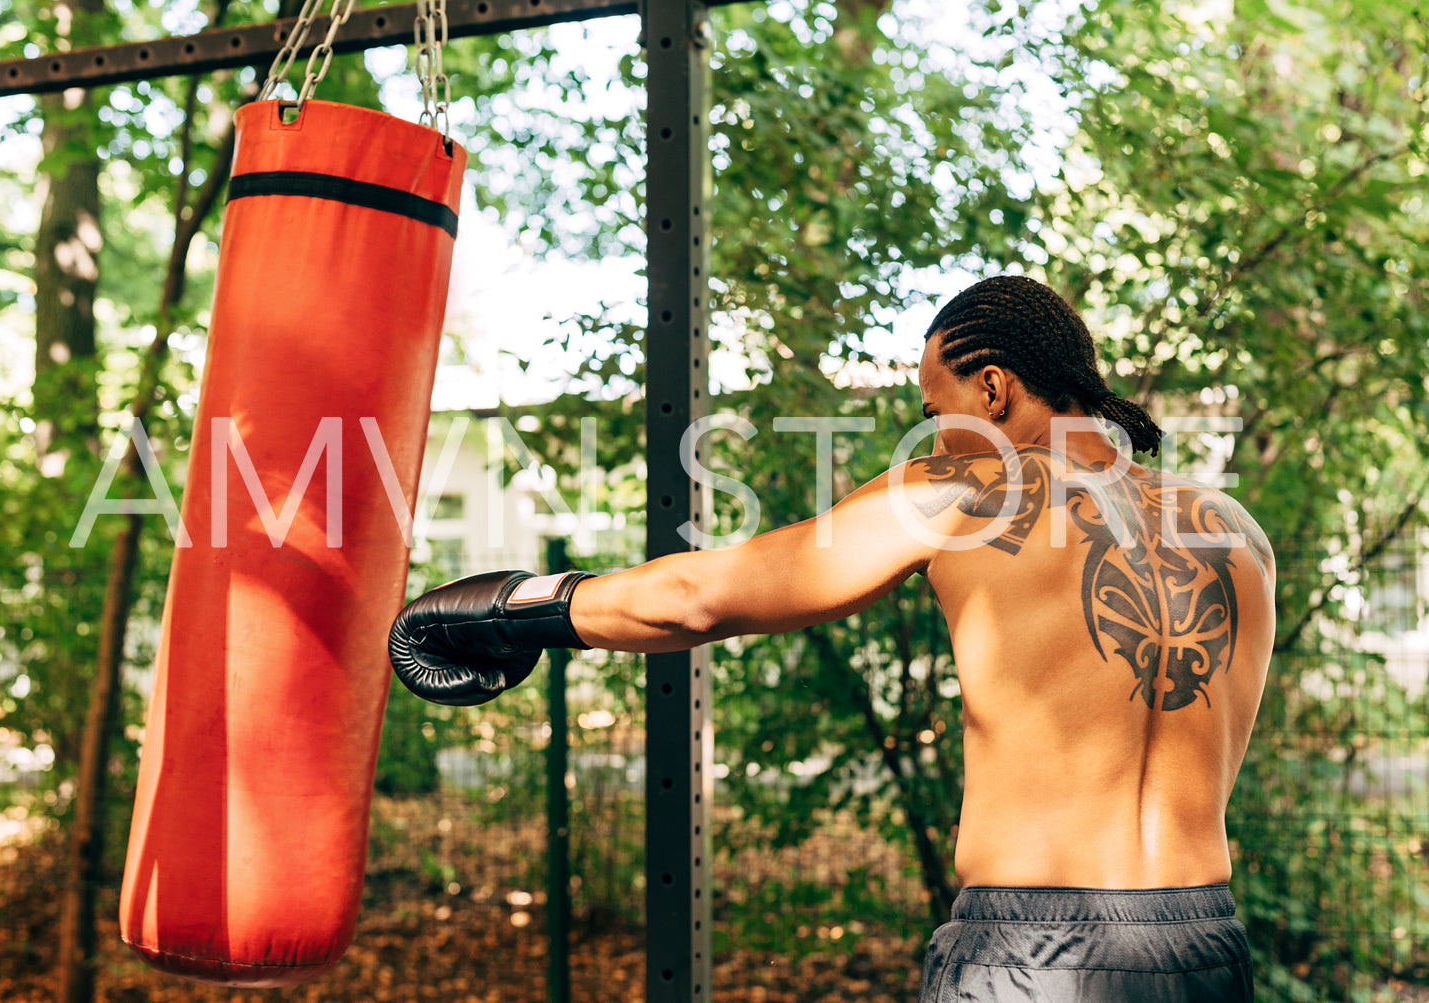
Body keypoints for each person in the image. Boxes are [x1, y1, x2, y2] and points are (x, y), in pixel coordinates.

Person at [388, 274, 1275, 1002]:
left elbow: (697, 596)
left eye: (940, 406)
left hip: (1035, 947)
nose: (934, 430)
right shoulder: (1232, 532)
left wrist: (520, 606)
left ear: (994, 387)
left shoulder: (970, 485)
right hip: (1203, 938)